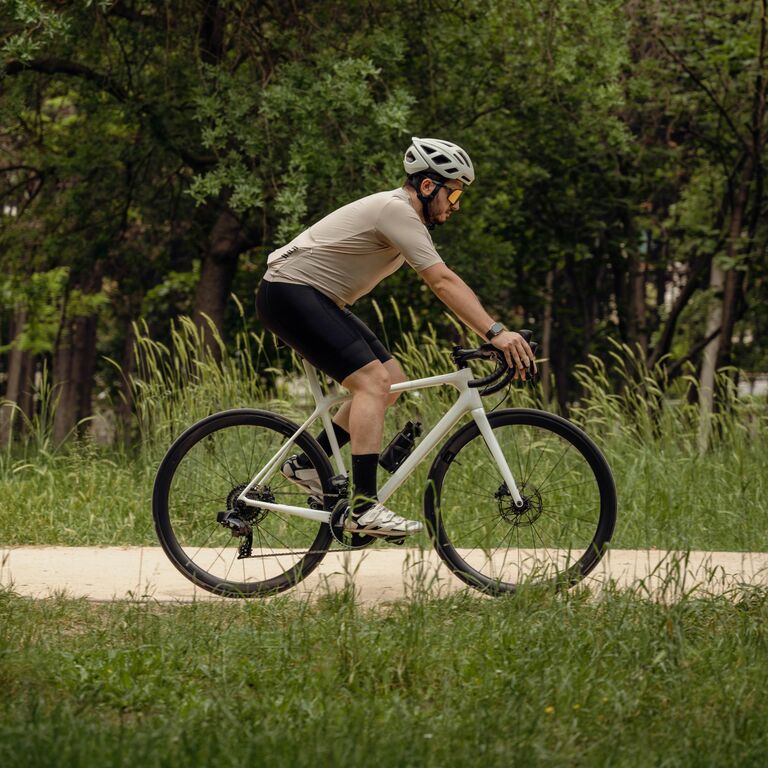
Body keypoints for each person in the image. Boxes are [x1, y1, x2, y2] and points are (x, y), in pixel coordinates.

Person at [256, 137, 535, 537]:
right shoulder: (396, 211)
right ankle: (365, 508)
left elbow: (443, 283)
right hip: (289, 291)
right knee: (372, 381)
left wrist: (490, 332)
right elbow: (441, 281)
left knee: (391, 380)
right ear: (427, 187)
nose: (456, 204)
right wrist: (495, 332)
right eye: (453, 192)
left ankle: (306, 465)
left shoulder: (405, 219)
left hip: (310, 296)